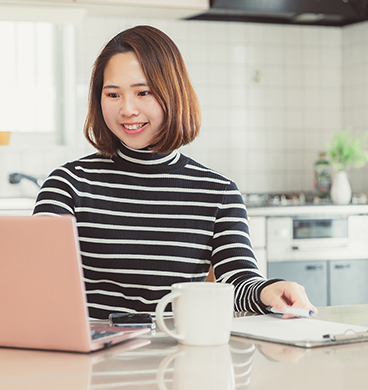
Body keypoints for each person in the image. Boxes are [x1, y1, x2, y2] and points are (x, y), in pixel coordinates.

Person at [33, 25, 316, 320]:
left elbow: (237, 281)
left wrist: (267, 291)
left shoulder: (218, 193)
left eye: (143, 92)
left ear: (173, 94)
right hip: (91, 355)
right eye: (113, 94)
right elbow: (35, 279)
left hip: (178, 355)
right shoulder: (67, 185)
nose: (127, 109)